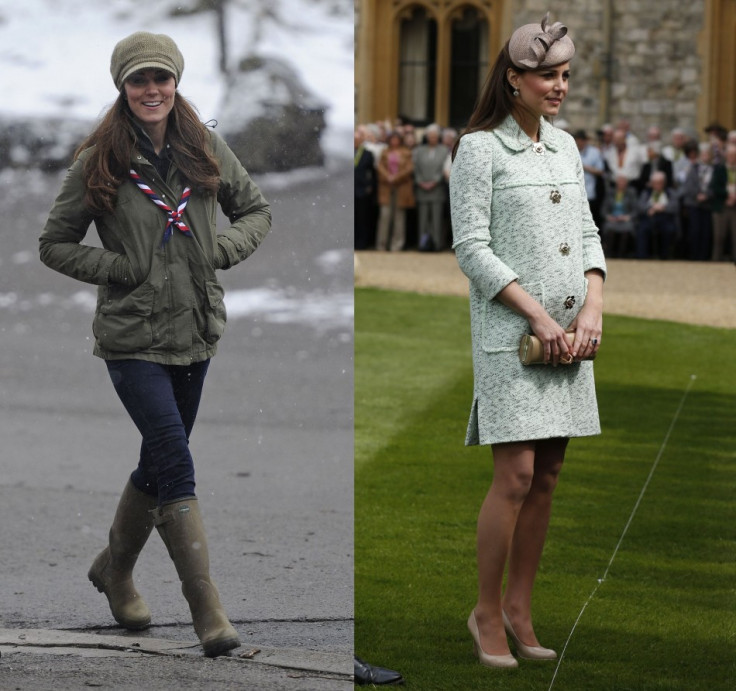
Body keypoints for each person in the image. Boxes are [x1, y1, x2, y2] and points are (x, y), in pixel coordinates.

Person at [38, 32, 271, 657]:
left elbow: (256, 212)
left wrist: (219, 251)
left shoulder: (204, 147)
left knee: (158, 459)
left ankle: (113, 571)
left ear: (176, 83)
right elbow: (54, 243)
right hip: (131, 335)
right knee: (176, 460)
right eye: (139, 80)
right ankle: (210, 617)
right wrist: (119, 267)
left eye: (161, 79)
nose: (152, 90)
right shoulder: (99, 160)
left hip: (195, 329)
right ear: (123, 87)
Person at [449, 13, 605, 670]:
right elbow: (471, 248)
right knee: (513, 476)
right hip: (517, 338)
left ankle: (520, 608)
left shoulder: (568, 147)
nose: (559, 85)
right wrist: (538, 316)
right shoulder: (480, 148)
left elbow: (590, 235)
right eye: (547, 74)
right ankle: (485, 610)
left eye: (565, 75)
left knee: (548, 476)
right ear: (513, 78)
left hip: (571, 340)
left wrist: (593, 303)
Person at [413, 123, 449, 251]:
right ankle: (422, 244)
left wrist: (435, 181)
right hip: (422, 188)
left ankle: (436, 244)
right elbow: (416, 168)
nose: (432, 138)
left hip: (437, 189)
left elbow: (445, 168)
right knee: (422, 219)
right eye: (430, 136)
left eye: (435, 136)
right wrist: (420, 181)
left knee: (436, 219)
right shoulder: (419, 150)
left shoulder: (444, 150)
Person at [376, 131, 414, 251]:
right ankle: (382, 244)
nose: (394, 141)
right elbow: (380, 166)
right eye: (392, 139)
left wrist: (396, 177)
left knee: (399, 218)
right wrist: (388, 176)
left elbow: (409, 168)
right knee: (385, 216)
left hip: (401, 187)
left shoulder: (406, 152)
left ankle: (397, 245)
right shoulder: (384, 152)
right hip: (386, 187)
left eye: (396, 139)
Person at [636, 170, 679, 259]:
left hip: (665, 218)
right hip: (649, 218)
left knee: (669, 230)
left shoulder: (670, 192)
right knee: (642, 230)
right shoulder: (646, 193)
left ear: (664, 183)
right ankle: (642, 257)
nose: (657, 185)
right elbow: (640, 206)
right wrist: (650, 208)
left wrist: (663, 208)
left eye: (660, 183)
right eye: (655, 183)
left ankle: (665, 257)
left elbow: (675, 206)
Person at [355, 128, 376, 249]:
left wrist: (370, 186)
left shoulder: (367, 154)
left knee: (362, 218)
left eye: (357, 139)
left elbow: (372, 173)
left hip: (362, 190)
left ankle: (362, 243)